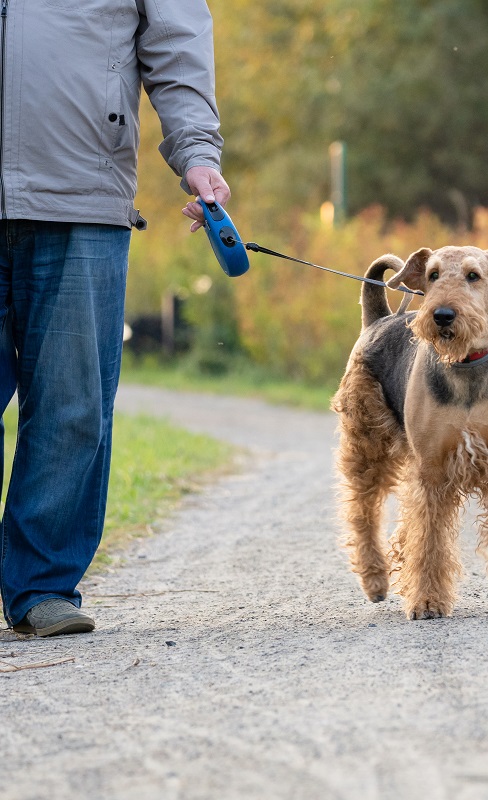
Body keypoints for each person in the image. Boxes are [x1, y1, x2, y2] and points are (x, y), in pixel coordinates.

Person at [0, 2, 230, 636]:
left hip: (82, 194)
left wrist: (197, 153)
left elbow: (178, 51)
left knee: (73, 405)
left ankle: (43, 586)